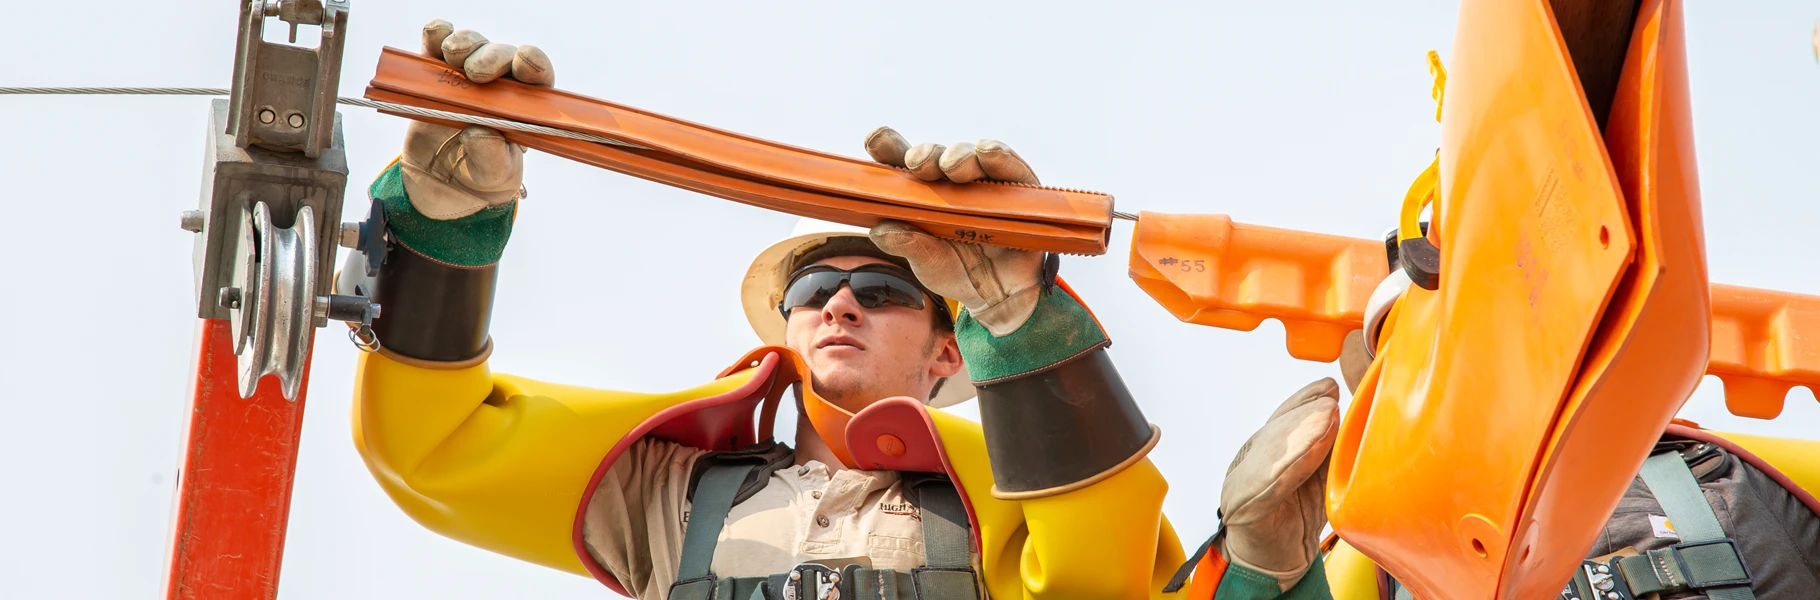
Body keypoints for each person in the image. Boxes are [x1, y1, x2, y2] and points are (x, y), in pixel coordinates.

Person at [340, 19, 1343, 600]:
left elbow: (1098, 581)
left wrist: (1019, 321)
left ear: (948, 357)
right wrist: (444, 228)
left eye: (883, 292)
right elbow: (433, 450)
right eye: (813, 294)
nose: (840, 307)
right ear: (782, 330)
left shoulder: (1010, 495)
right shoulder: (669, 491)